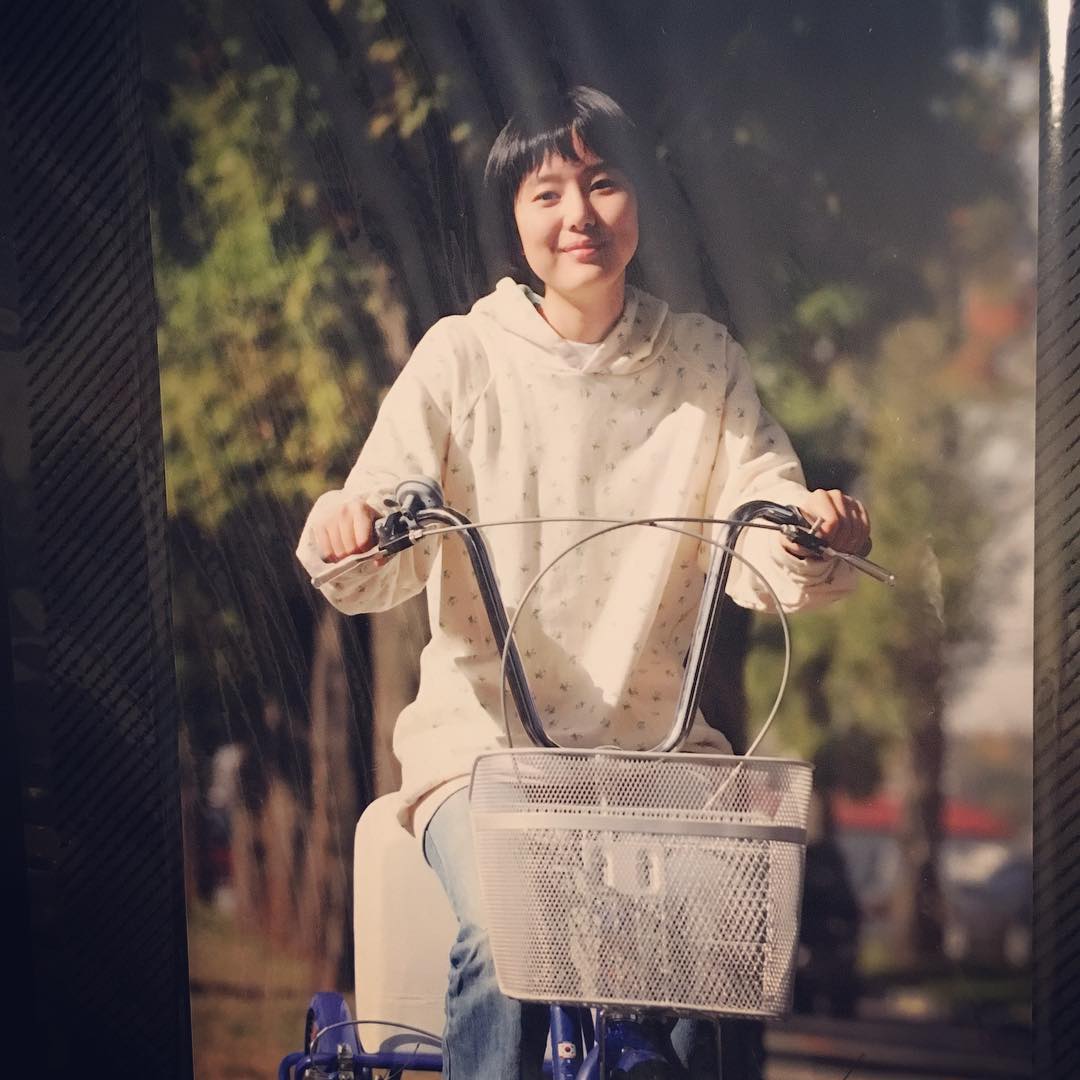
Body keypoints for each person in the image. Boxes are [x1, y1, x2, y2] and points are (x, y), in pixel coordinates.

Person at [296, 85, 871, 1079]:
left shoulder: (703, 362)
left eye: (603, 184)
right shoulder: (463, 356)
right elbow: (381, 507)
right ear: (513, 218)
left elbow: (762, 508)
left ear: (638, 198)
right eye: (547, 193)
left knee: (717, 958)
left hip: (663, 764)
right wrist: (354, 526)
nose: (579, 216)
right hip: (487, 760)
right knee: (503, 945)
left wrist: (811, 531)